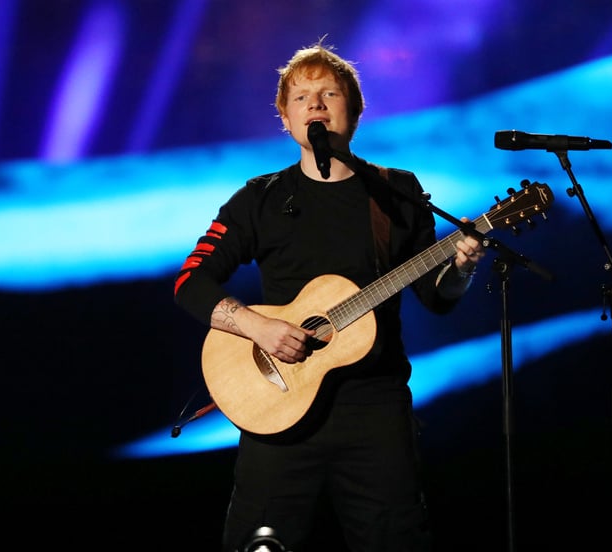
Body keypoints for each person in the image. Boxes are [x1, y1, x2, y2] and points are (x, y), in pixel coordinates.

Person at [173, 40, 486, 552]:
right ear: (285, 117)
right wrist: (258, 326)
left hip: (375, 414)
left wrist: (461, 268)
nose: (315, 104)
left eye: (330, 93)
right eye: (301, 96)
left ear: (355, 110)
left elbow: (438, 296)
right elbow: (191, 283)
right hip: (277, 415)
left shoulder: (396, 192)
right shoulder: (260, 198)